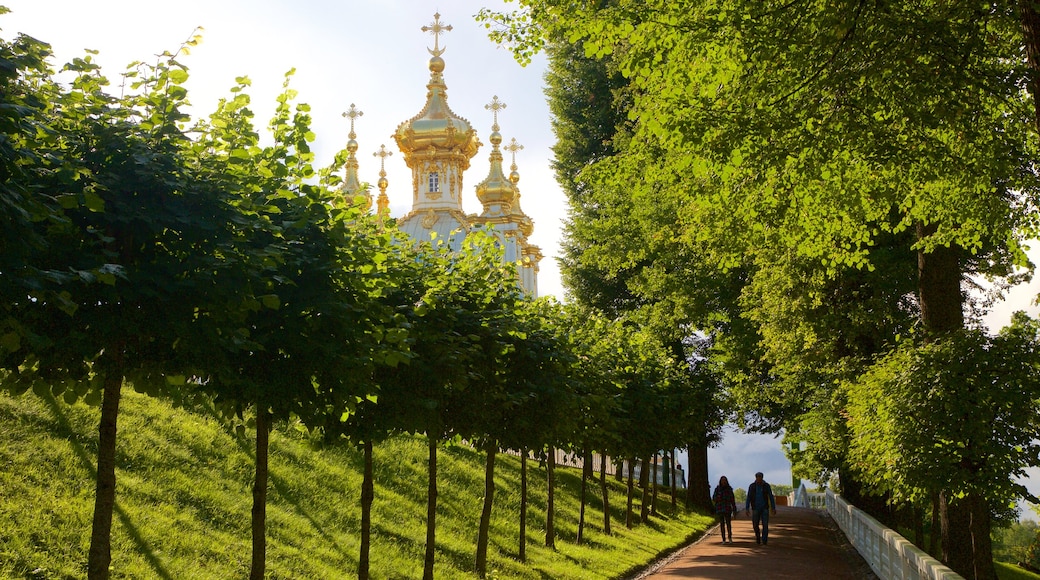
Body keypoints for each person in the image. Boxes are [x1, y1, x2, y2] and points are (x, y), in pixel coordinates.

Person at [744, 471, 777, 545]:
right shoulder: (752, 486)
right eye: (757, 477)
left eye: (760, 477)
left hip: (764, 508)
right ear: (756, 478)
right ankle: (758, 537)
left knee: (765, 525)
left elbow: (771, 497)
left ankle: (764, 540)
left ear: (762, 478)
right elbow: (748, 497)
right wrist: (747, 508)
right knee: (755, 525)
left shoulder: (766, 486)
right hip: (755, 508)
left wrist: (773, 508)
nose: (759, 479)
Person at [711, 475, 737, 543]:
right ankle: (723, 539)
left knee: (728, 524)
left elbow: (732, 499)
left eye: (725, 480)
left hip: (727, 508)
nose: (723, 482)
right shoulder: (717, 489)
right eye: (722, 480)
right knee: (722, 524)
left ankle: (730, 537)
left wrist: (734, 509)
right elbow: (714, 498)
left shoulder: (729, 489)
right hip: (720, 508)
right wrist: (717, 499)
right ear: (720, 481)